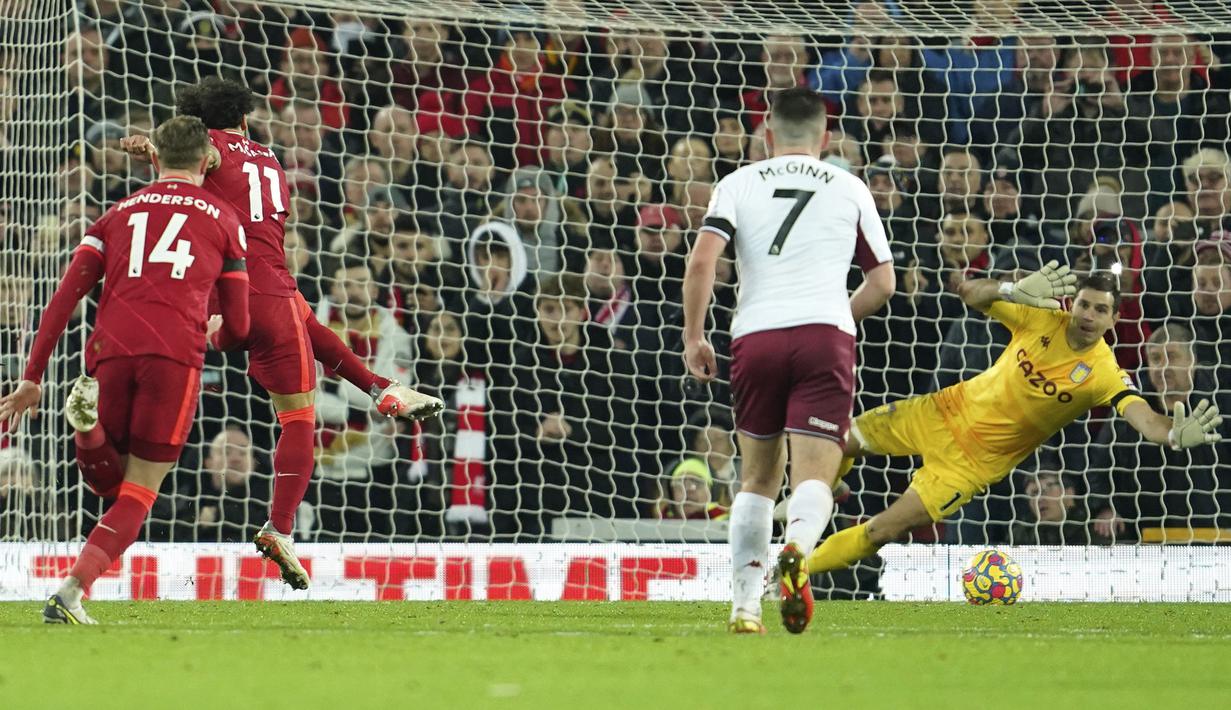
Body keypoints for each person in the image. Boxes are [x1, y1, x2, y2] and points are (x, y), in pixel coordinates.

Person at [121, 77, 442, 590]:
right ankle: (281, 526)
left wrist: (148, 145)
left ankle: (383, 391)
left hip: (225, 289)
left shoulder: (207, 149)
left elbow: (190, 164)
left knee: (309, 326)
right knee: (299, 417)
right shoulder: (270, 159)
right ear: (245, 119)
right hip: (263, 285)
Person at [802, 271, 1225, 580]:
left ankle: (793, 572)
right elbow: (968, 292)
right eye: (1083, 304)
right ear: (1071, 304)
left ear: (1113, 320)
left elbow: (1145, 419)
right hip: (939, 413)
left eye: (1100, 309)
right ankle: (830, 489)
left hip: (969, 466)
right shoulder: (1039, 317)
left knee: (883, 529)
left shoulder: (1104, 374)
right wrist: (1010, 288)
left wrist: (1171, 432)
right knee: (830, 439)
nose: (1088, 315)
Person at [0, 116, 251, 624]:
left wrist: (32, 376)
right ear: (206, 161)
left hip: (108, 349)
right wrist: (217, 333)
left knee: (110, 488)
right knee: (137, 494)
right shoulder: (225, 220)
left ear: (153, 160)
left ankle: (88, 433)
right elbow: (240, 325)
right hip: (175, 356)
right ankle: (71, 591)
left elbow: (62, 299)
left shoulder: (115, 215)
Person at [683, 87, 895, 635]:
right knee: (814, 475)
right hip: (824, 335)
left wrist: (694, 336)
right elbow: (884, 282)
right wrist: (839, 317)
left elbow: (704, 259)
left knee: (755, 478)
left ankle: (745, 607)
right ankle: (797, 549)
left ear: (768, 135)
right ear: (825, 139)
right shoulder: (850, 187)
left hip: (755, 336)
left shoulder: (736, 184)